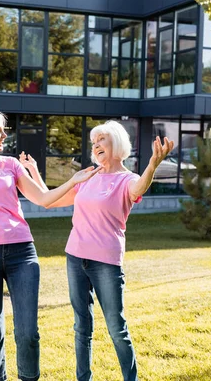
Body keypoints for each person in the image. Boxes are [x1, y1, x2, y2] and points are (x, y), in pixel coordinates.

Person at [0, 108, 101, 381]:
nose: (4, 135)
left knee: (27, 332)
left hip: (21, 252)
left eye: (3, 129)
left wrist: (73, 180)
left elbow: (43, 199)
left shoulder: (10, 164)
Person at [26, 120, 174, 381]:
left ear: (116, 143)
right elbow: (49, 200)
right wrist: (35, 172)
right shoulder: (87, 176)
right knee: (82, 326)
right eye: (93, 142)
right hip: (75, 257)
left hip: (105, 262)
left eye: (101, 140)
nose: (95, 146)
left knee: (116, 328)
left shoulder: (126, 180)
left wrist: (152, 164)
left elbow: (139, 188)